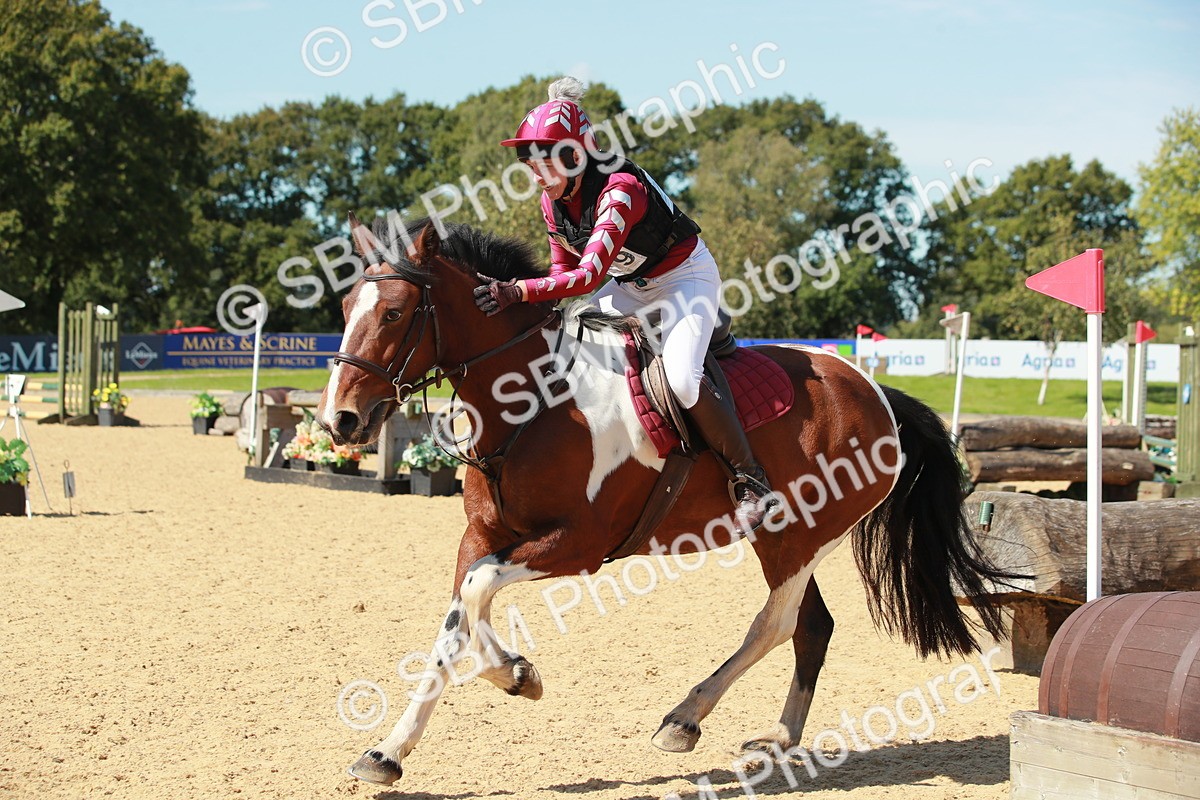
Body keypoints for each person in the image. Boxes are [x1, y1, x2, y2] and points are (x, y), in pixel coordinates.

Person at [474, 77, 776, 533]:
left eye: (545, 161)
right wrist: (529, 299)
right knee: (566, 353)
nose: (536, 174)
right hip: (630, 285)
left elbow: (590, 275)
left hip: (683, 279)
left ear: (577, 155)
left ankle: (751, 480)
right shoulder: (552, 201)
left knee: (683, 382)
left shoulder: (619, 190)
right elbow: (562, 274)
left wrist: (517, 290)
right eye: (530, 162)